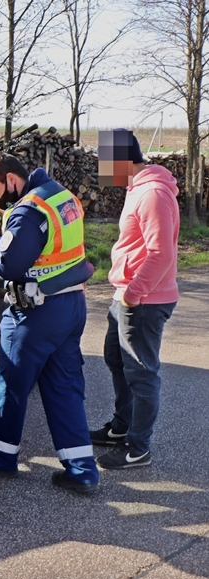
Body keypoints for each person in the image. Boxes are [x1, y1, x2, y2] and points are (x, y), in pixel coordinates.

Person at [0, 151, 99, 493]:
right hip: (71, 304)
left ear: (11, 180)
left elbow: (8, 264)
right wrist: (4, 216)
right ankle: (83, 471)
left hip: (36, 313)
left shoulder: (27, 211)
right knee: (64, 387)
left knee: (11, 384)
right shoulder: (59, 195)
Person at [90, 130, 178, 469]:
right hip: (128, 294)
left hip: (144, 299)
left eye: (105, 162)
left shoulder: (153, 193)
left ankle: (137, 448)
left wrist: (132, 293)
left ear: (123, 160)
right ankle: (121, 427)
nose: (101, 169)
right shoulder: (137, 189)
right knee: (116, 360)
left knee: (141, 373)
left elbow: (161, 253)